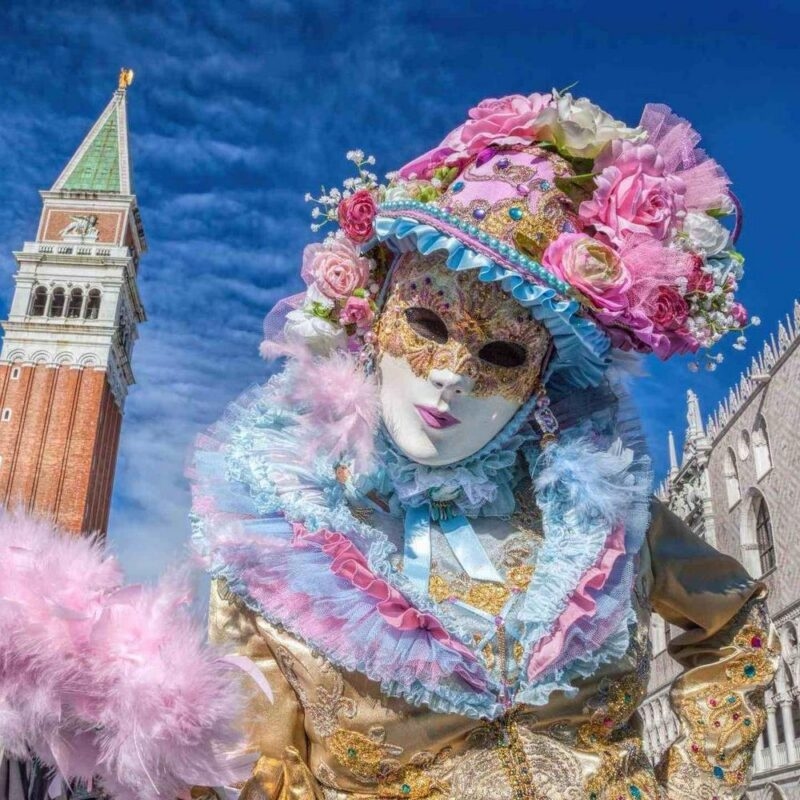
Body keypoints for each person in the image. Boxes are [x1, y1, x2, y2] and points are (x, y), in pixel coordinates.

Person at [188, 90, 779, 800]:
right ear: (374, 321)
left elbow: (736, 623)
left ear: (539, 384)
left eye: (500, 355)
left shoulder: (601, 525)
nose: (451, 380)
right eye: (429, 328)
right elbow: (254, 775)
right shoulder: (273, 541)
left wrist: (700, 783)